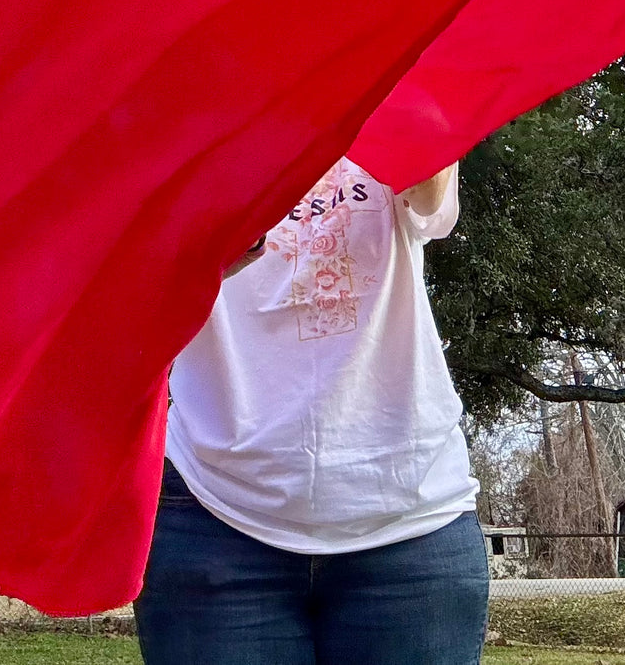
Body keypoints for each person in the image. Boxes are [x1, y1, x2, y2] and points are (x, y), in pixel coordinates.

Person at [133, 156, 489, 665]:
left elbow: (429, 198)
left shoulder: (391, 84)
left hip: (410, 524)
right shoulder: (176, 104)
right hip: (215, 513)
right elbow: (126, 279)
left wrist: (386, 81)